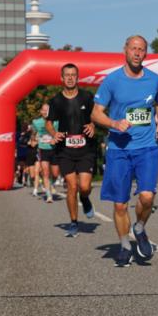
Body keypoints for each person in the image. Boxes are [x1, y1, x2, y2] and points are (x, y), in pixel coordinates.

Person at [91, 35, 158, 268]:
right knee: (120, 205)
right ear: (125, 50)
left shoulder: (154, 80)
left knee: (147, 196)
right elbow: (96, 114)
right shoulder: (112, 81)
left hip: (146, 148)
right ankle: (125, 245)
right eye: (133, 48)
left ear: (146, 54)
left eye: (141, 49)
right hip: (119, 149)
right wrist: (114, 124)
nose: (137, 53)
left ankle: (140, 227)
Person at [46, 64, 97, 237]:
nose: (70, 78)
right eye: (66, 75)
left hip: (86, 149)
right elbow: (48, 123)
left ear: (77, 77)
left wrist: (92, 124)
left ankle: (85, 198)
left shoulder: (87, 97)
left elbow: (97, 115)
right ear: (62, 78)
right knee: (71, 186)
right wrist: (54, 133)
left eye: (73, 75)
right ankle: (74, 222)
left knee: (84, 187)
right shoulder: (56, 101)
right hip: (65, 149)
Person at [32, 103, 59, 202]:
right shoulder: (36, 122)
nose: (45, 112)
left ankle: (52, 183)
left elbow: (62, 133)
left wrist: (55, 139)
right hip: (43, 149)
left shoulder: (56, 122)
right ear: (41, 111)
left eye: (47, 110)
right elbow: (34, 133)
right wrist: (34, 139)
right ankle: (49, 196)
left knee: (55, 173)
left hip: (54, 149)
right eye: (44, 110)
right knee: (45, 172)